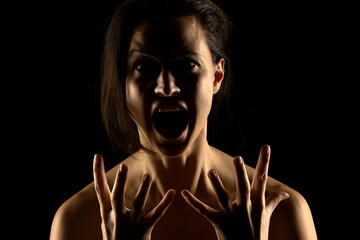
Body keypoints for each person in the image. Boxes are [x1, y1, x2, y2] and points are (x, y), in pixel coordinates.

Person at [50, 0, 317, 239]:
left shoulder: (283, 213)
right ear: (123, 83)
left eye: (186, 65)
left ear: (216, 77)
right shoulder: (76, 221)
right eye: (145, 67)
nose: (166, 87)